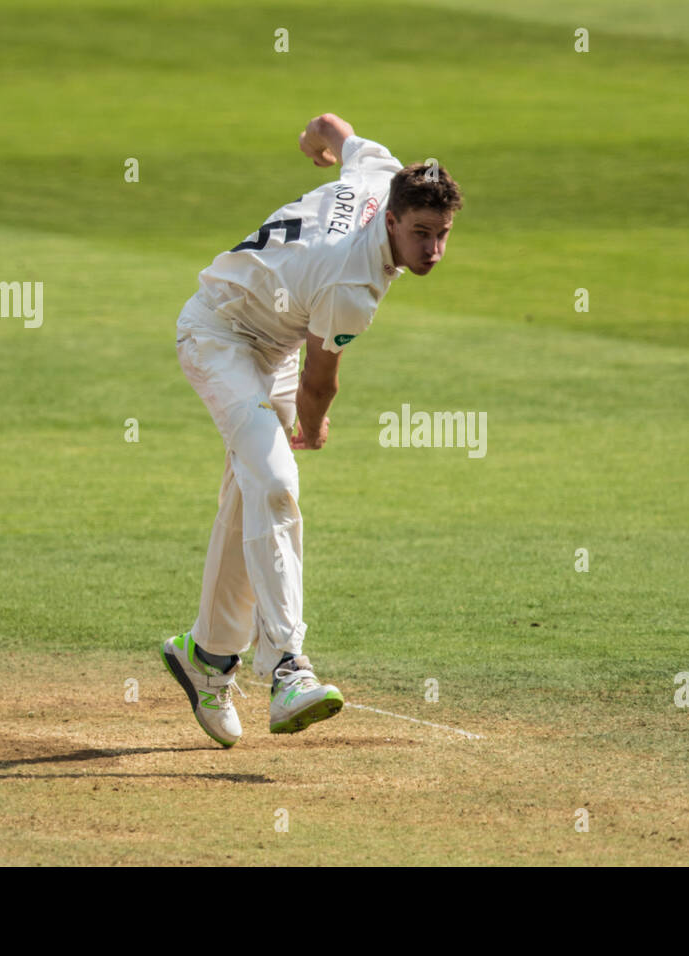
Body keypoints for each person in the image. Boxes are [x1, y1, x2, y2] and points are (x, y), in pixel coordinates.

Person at [162, 113, 464, 746]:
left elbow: (334, 126)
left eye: (441, 235)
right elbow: (320, 384)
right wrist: (314, 427)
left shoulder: (384, 171)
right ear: (389, 220)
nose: (431, 251)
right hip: (217, 335)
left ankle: (208, 658)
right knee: (275, 479)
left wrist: (313, 139)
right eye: (419, 236)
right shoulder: (353, 282)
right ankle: (288, 668)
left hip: (270, 348)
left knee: (251, 492)